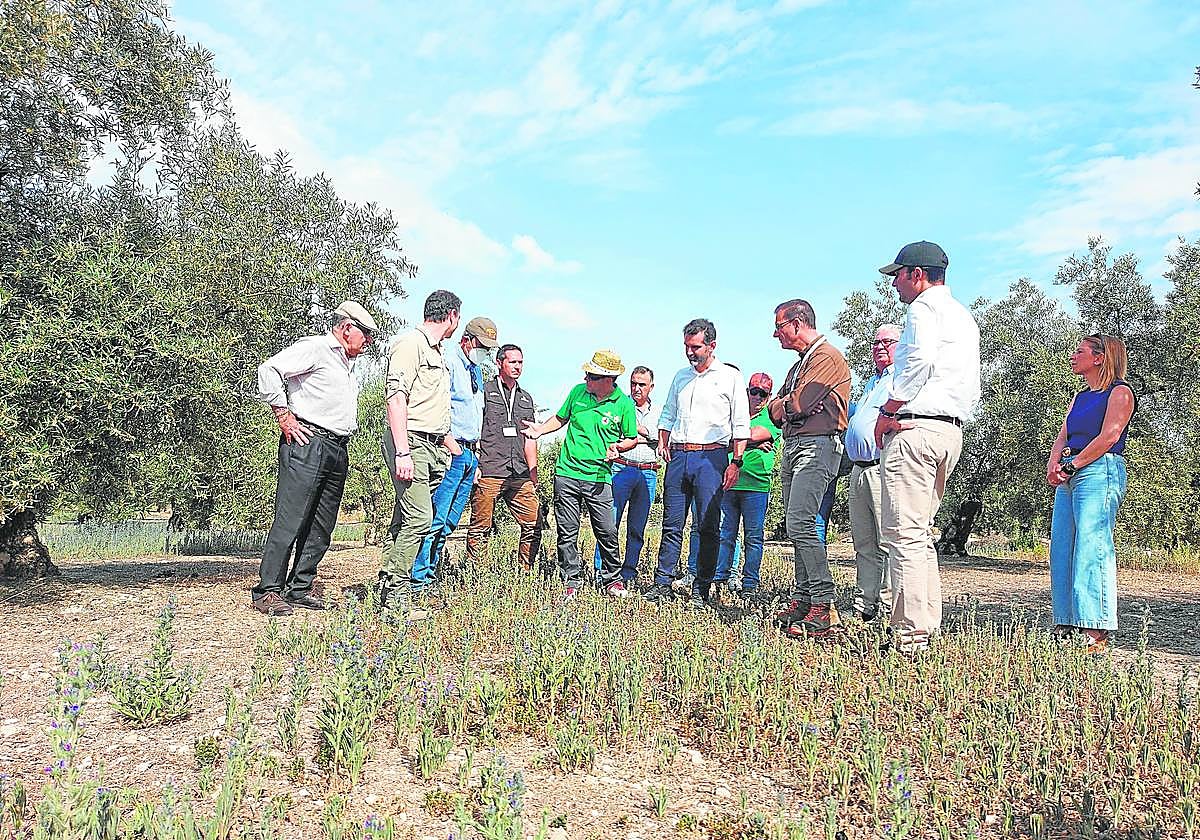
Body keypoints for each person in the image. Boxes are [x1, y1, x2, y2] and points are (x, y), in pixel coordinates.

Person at [874, 241, 980, 653]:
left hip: (915, 429)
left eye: (898, 274)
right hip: (947, 430)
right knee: (917, 534)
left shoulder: (922, 310)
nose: (894, 284)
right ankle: (922, 626)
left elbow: (916, 362)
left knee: (905, 535)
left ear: (917, 274)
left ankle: (912, 635)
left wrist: (889, 408)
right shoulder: (963, 316)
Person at [252, 301, 378, 616]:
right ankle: (268, 590)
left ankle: (299, 587)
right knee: (291, 517)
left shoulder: (347, 363)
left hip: (337, 446)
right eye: (365, 335)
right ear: (347, 328)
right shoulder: (316, 348)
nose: (368, 343)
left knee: (322, 523)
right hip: (307, 440)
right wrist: (283, 414)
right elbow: (269, 369)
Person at [646, 319, 750, 607]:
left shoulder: (730, 377)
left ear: (712, 346)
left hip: (712, 457)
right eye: (686, 347)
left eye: (695, 347)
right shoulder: (681, 377)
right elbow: (667, 413)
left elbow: (740, 425)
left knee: (707, 525)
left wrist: (736, 462)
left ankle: (701, 589)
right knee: (671, 523)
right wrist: (664, 441)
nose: (690, 353)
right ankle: (662, 583)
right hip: (679, 456)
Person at [523, 351, 639, 600]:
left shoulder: (623, 404)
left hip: (598, 477)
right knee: (567, 531)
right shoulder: (577, 392)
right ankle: (571, 581)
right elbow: (560, 418)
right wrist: (541, 430)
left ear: (608, 379)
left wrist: (618, 447)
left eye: (592, 376)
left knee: (607, 530)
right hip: (567, 473)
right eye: (586, 374)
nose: (586, 378)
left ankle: (612, 580)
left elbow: (632, 438)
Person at [1046, 333, 1135, 653]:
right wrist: (1055, 463)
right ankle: (1067, 622)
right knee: (1062, 548)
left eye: (1079, 351)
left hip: (1099, 470)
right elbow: (1063, 434)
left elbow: (1110, 436)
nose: (1073, 355)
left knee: (1091, 546)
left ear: (1099, 357)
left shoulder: (1120, 392)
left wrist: (1074, 465)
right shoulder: (1080, 397)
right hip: (1071, 469)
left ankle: (1096, 629)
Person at [768, 299, 851, 638]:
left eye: (779, 327)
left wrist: (792, 405)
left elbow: (798, 403)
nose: (776, 335)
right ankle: (804, 599)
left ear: (798, 323)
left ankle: (824, 604)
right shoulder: (800, 364)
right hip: (795, 445)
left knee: (801, 520)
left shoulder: (827, 357)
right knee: (795, 523)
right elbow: (777, 408)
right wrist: (791, 405)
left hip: (817, 445)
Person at [377, 289, 461, 613]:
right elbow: (396, 398)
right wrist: (402, 452)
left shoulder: (437, 352)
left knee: (405, 517)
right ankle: (397, 597)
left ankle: (386, 585)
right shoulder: (410, 344)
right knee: (420, 518)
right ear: (451, 315)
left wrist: (451, 445)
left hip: (432, 445)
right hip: (410, 442)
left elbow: (433, 406)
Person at [412, 316, 499, 589]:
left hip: (471, 455)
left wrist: (477, 457)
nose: (485, 351)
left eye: (489, 348)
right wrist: (452, 447)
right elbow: (439, 407)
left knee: (450, 522)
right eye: (481, 345)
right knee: (435, 518)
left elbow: (477, 415)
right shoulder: (449, 364)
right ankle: (418, 580)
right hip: (452, 450)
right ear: (466, 340)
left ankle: (432, 573)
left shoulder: (477, 372)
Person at [843, 324, 902, 620]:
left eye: (887, 342)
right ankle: (863, 604)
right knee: (863, 543)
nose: (879, 347)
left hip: (883, 467)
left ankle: (889, 606)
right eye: (875, 342)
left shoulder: (901, 380)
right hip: (859, 469)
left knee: (887, 541)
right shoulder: (871, 383)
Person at [467, 343, 541, 570]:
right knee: (481, 527)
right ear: (499, 363)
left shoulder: (526, 398)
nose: (517, 366)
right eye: (512, 362)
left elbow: (530, 437)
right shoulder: (484, 391)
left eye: (520, 362)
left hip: (519, 472)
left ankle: (524, 572)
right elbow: (473, 428)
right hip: (490, 468)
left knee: (534, 523)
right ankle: (477, 576)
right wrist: (475, 462)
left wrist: (533, 471)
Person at [714, 372, 780, 600]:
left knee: (753, 537)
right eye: (754, 391)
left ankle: (749, 583)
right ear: (746, 392)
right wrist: (751, 443)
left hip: (757, 486)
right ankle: (720, 577)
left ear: (769, 396)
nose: (758, 396)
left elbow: (751, 434)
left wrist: (739, 442)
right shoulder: (735, 416)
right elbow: (725, 439)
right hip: (730, 484)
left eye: (763, 393)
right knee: (726, 534)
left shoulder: (772, 418)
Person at [593, 365, 660, 583]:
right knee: (608, 524)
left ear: (652, 386)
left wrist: (637, 432)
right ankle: (601, 571)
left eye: (642, 384)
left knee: (637, 527)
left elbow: (659, 438)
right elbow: (616, 438)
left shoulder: (660, 411)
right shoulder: (620, 406)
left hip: (648, 472)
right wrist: (644, 435)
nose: (637, 388)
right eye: (633, 383)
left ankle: (629, 572)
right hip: (621, 467)